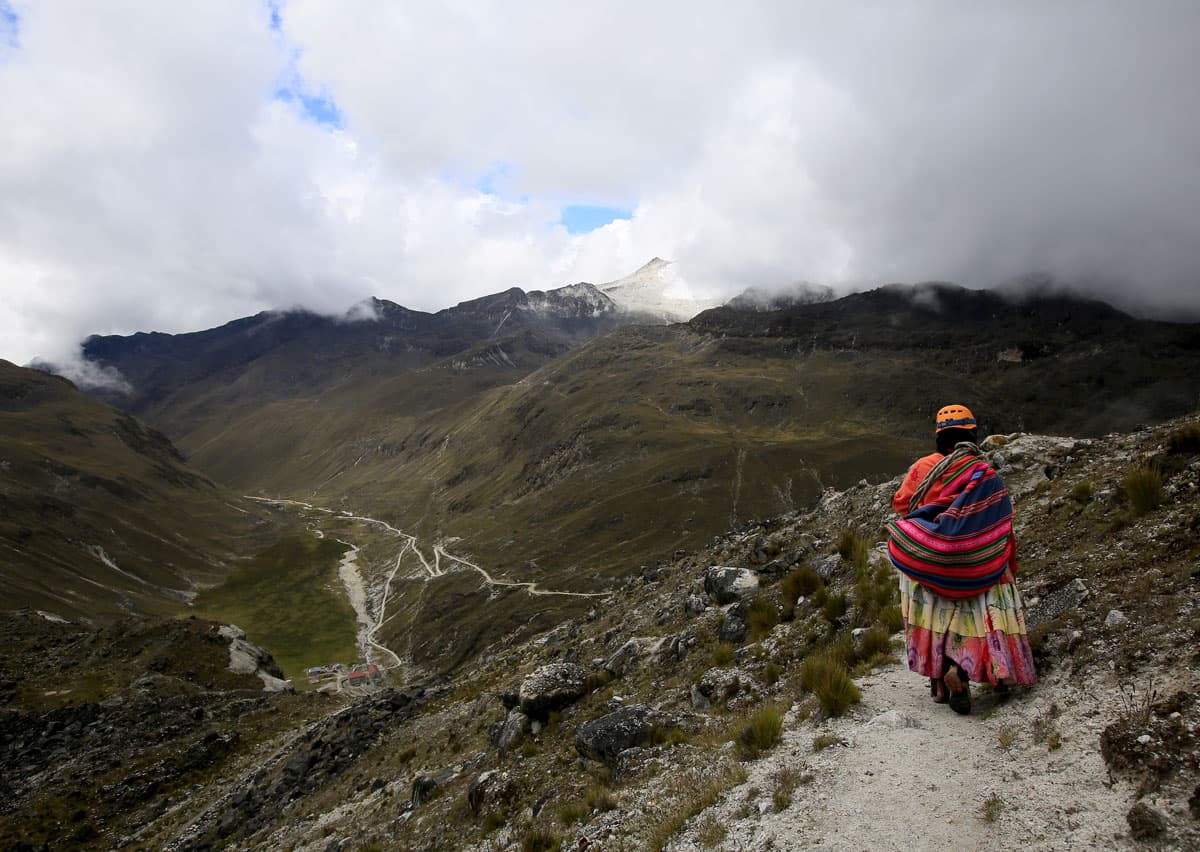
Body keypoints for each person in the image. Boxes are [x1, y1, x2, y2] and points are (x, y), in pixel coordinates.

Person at [887, 404, 1037, 714]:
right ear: (972, 434)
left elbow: (902, 504)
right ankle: (966, 670)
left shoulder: (923, 468)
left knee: (935, 621)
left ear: (939, 437)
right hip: (975, 564)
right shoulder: (983, 472)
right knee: (972, 620)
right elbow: (1001, 518)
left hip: (932, 564)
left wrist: (931, 527)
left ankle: (940, 678)